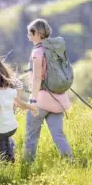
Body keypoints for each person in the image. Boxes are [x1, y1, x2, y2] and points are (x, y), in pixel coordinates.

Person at [24, 18, 73, 162]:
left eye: (30, 33)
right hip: (58, 100)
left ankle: (27, 166)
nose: (28, 37)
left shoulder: (37, 52)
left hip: (40, 101)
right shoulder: (55, 48)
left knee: (31, 137)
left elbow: (37, 79)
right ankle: (71, 162)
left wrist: (32, 101)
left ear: (36, 33)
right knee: (58, 135)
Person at [0, 69, 38, 162]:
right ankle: (11, 160)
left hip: (1, 129)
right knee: (7, 144)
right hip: (12, 127)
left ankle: (4, 169)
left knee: (1, 153)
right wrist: (33, 108)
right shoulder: (11, 90)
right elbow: (21, 104)